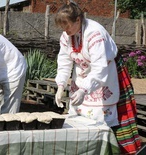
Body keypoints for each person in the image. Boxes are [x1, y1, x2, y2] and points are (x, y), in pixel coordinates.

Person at [54, 1, 141, 154]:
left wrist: (84, 90)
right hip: (83, 74)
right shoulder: (67, 36)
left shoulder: (95, 33)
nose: (65, 31)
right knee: (80, 115)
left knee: (106, 119)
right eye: (62, 27)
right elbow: (64, 60)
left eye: (67, 26)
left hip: (105, 74)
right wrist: (60, 85)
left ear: (78, 20)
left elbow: (100, 67)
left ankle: (112, 149)